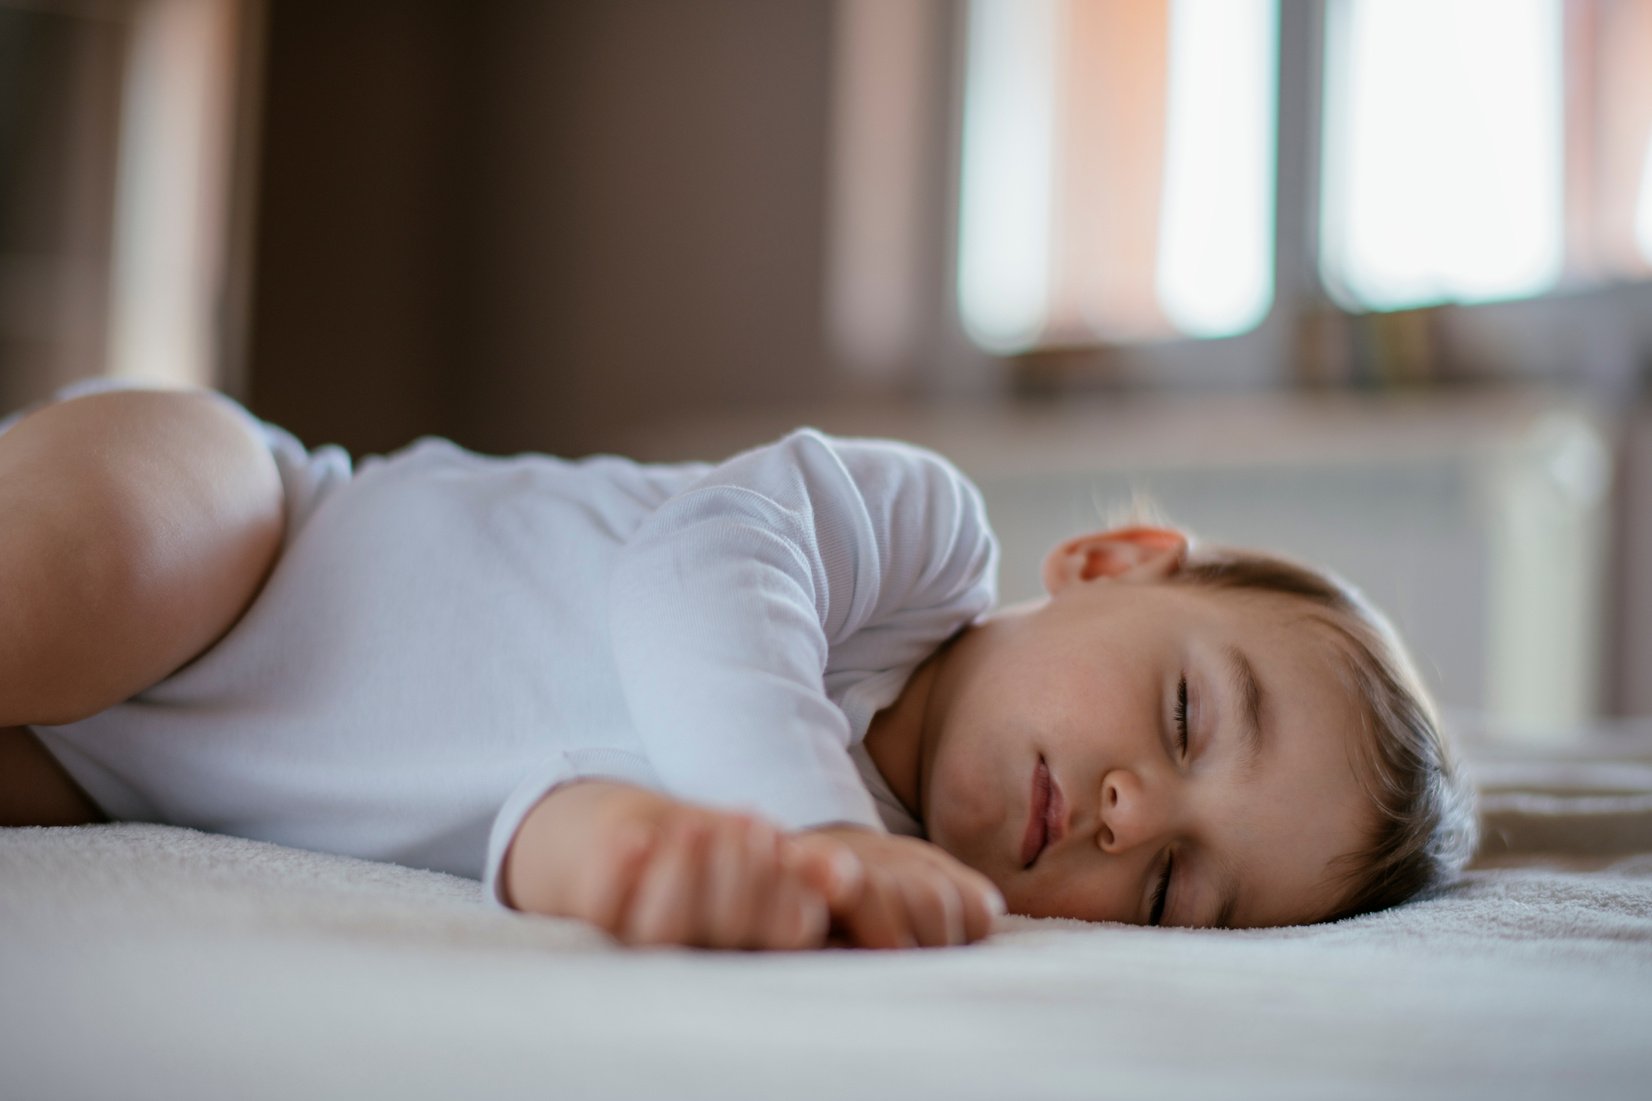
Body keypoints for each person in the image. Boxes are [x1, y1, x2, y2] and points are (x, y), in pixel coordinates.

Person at [0, 380, 1478, 950]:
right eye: (1180, 716)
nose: (1127, 814)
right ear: (1112, 563)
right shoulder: (910, 546)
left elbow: (538, 818)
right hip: (255, 528)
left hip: (121, 769)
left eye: (1169, 886)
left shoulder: (835, 883)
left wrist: (648, 867)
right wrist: (818, 831)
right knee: (62, 576)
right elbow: (692, 579)